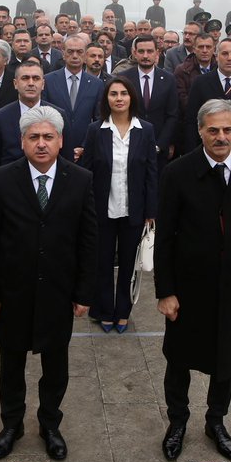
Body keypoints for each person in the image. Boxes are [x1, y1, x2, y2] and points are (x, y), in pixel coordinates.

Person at [154, 99, 231, 462]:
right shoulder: (177, 173)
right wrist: (166, 291)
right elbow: (165, 239)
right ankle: (177, 422)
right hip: (190, 287)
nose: (221, 137)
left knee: (227, 358)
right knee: (179, 359)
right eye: (213, 130)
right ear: (200, 131)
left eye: (227, 130)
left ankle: (216, 421)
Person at [0, 105, 96, 461]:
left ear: (60, 140)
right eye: (34, 137)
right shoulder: (1, 178)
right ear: (22, 141)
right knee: (11, 366)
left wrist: (84, 291)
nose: (41, 144)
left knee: (55, 367)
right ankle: (11, 424)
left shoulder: (80, 179)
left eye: (48, 137)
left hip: (58, 293)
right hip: (13, 293)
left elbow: (88, 240)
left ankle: (49, 424)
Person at [76, 77, 157, 332]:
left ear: (132, 98)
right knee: (101, 263)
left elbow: (151, 174)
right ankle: (103, 311)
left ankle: (123, 311)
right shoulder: (95, 130)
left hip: (134, 211)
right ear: (106, 99)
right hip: (102, 210)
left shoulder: (145, 130)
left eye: (124, 93)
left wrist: (151, 212)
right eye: (113, 94)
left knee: (128, 265)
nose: (119, 98)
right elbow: (86, 172)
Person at [119, 34, 179, 171]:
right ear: (134, 53)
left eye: (150, 51)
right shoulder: (124, 78)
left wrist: (161, 144)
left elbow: (172, 115)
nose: (145, 55)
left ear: (157, 53)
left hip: (159, 149)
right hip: (129, 147)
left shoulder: (169, 79)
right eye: (141, 51)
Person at [43, 34, 105, 162]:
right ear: (63, 53)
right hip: (54, 150)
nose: (75, 56)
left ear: (85, 54)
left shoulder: (96, 84)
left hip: (85, 152)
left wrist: (84, 146)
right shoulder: (48, 80)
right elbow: (44, 117)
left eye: (79, 52)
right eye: (70, 51)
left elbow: (99, 119)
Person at [0, 58, 46, 170]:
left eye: (36, 78)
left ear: (43, 84)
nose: (31, 83)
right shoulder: (0, 118)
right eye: (25, 78)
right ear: (15, 83)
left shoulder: (57, 115)